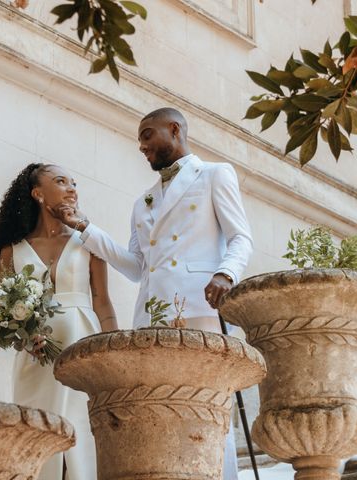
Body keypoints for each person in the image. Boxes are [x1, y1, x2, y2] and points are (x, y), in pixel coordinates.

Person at [51, 107, 253, 479]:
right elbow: (135, 266)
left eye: (147, 135)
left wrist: (226, 273)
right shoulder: (141, 201)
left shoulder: (213, 175)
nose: (141, 146)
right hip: (151, 315)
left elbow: (240, 237)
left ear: (174, 130)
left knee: (208, 404)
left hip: (199, 305)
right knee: (156, 405)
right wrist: (86, 229)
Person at [0, 163, 117, 480]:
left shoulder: (88, 242)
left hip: (84, 350)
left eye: (74, 182)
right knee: (38, 434)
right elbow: (3, 309)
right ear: (38, 194)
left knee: (80, 438)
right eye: (61, 181)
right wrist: (24, 338)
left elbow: (102, 302)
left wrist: (111, 355)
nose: (72, 188)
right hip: (36, 359)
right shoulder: (10, 252)